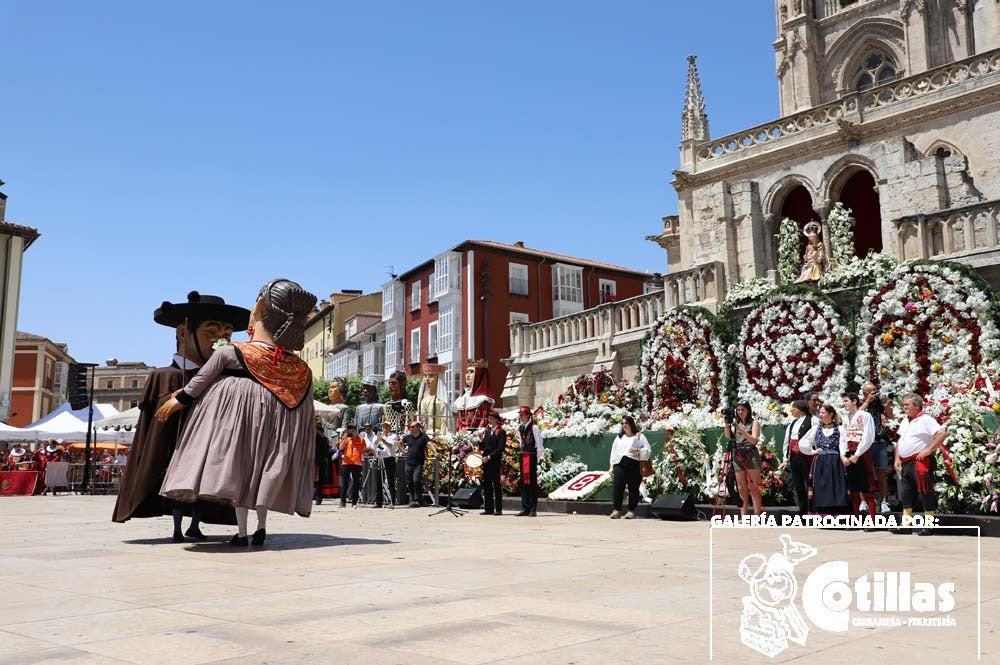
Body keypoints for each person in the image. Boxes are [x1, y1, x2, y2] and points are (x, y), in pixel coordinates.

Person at [158, 278, 318, 547]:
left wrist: (180, 399)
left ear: (257, 308)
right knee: (263, 478)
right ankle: (261, 528)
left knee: (240, 479)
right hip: (278, 432)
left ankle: (242, 533)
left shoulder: (234, 352)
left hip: (239, 429)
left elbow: (201, 380)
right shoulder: (302, 369)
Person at [113, 291, 248, 542]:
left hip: (208, 450)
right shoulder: (164, 375)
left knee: (201, 489)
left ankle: (195, 524)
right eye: (211, 332)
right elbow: (154, 421)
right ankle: (177, 526)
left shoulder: (228, 378)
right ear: (183, 333)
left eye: (226, 335)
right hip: (173, 449)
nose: (220, 340)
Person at [892, 394, 948, 536]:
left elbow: (942, 433)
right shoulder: (906, 421)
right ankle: (906, 525)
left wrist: (929, 450)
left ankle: (929, 525)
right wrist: (897, 458)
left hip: (920, 462)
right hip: (905, 463)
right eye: (904, 405)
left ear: (917, 406)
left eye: (907, 405)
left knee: (925, 493)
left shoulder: (925, 419)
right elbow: (900, 440)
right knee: (906, 494)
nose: (904, 407)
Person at [801, 403, 849, 515]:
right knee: (822, 488)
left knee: (836, 488)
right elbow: (803, 442)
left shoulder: (839, 429)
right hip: (821, 462)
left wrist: (842, 455)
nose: (820, 415)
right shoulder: (816, 429)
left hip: (835, 462)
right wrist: (812, 451)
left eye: (823, 413)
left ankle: (838, 516)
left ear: (831, 414)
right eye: (820, 413)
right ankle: (823, 516)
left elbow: (843, 444)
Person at [608, 415, 651, 519]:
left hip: (634, 465)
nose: (624, 425)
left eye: (626, 423)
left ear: (631, 424)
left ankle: (631, 511)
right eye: (622, 423)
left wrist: (638, 451)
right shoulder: (619, 437)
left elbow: (648, 450)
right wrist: (611, 466)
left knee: (633, 489)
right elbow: (613, 452)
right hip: (620, 465)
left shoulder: (639, 436)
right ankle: (617, 510)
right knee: (618, 488)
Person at [861, 381, 894, 514]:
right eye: (871, 391)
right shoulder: (859, 402)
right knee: (863, 473)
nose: (875, 393)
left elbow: (890, 416)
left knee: (881, 473)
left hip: (878, 441)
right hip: (864, 443)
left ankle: (884, 502)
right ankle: (864, 502)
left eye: (876, 390)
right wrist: (867, 401)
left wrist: (885, 403)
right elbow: (857, 415)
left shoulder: (878, 403)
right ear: (865, 393)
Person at [724, 401, 763, 516]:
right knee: (741, 487)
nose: (740, 412)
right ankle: (743, 515)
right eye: (738, 410)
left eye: (743, 410)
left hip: (750, 453)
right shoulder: (735, 423)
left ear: (748, 410)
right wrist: (727, 424)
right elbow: (728, 436)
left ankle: (757, 515)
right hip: (737, 454)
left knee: (753, 486)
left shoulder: (754, 423)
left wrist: (741, 430)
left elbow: (754, 440)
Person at [841, 392, 876, 518]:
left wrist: (857, 454)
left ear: (854, 401)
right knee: (853, 487)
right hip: (849, 453)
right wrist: (843, 455)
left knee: (867, 486)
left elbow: (868, 437)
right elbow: (843, 437)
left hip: (862, 452)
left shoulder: (865, 416)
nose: (844, 403)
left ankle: (872, 521)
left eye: (846, 401)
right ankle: (856, 519)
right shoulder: (845, 418)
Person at [779, 400, 815, 516]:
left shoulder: (812, 420)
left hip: (807, 458)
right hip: (795, 458)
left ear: (799, 409)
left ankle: (813, 511)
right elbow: (786, 442)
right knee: (798, 486)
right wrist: (786, 459)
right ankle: (803, 511)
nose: (792, 411)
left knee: (810, 485)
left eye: (793, 408)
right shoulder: (792, 424)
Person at [516, 406, 543, 517]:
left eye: (522, 415)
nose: (520, 417)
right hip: (523, 456)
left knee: (531, 482)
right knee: (523, 482)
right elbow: (522, 441)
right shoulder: (521, 428)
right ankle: (525, 507)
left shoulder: (534, 427)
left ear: (528, 416)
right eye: (520, 415)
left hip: (531, 457)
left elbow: (539, 443)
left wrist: (538, 458)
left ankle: (533, 508)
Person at [478, 410, 507, 515]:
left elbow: (500, 448)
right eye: (489, 418)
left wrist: (489, 457)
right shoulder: (487, 431)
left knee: (496, 484)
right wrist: (481, 440)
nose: (489, 420)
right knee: (487, 485)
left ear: (496, 420)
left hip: (494, 461)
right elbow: (484, 447)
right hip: (486, 461)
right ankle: (488, 508)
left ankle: (498, 509)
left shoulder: (501, 432)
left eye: (491, 418)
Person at [453, 360, 494, 431]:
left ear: (479, 375)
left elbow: (484, 423)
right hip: (461, 437)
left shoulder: (482, 400)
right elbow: (458, 423)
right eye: (467, 372)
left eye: (471, 372)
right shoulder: (461, 399)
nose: (468, 375)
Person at [369, 422, 398, 507]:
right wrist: (378, 440)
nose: (384, 428)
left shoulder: (393, 436)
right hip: (380, 458)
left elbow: (391, 446)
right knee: (379, 481)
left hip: (389, 459)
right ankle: (379, 502)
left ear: (389, 428)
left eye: (386, 427)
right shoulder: (378, 436)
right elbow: (373, 447)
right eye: (383, 427)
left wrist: (383, 440)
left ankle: (392, 501)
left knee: (390, 480)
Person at [402, 421, 430, 507]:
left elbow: (430, 444)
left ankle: (418, 499)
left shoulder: (424, 437)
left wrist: (435, 452)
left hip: (418, 463)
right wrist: (403, 451)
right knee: (409, 481)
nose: (410, 428)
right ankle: (413, 499)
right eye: (410, 427)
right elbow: (399, 443)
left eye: (412, 427)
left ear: (418, 427)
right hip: (409, 462)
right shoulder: (408, 437)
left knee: (416, 480)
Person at [337, 423, 366, 507]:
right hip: (346, 463)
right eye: (349, 429)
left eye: (352, 429)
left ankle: (354, 502)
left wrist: (355, 436)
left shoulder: (361, 439)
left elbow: (364, 450)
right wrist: (344, 437)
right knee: (344, 483)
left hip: (357, 463)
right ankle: (342, 502)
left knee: (356, 483)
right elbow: (340, 448)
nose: (351, 431)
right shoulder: (347, 439)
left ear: (356, 430)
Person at [417, 363, 450, 435]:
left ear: (439, 378)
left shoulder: (441, 400)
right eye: (425, 376)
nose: (427, 379)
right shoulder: (422, 399)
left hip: (436, 437)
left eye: (431, 376)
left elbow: (445, 423)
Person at [314, 422, 332, 506]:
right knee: (316, 481)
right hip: (316, 462)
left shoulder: (323, 439)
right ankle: (316, 498)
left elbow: (325, 451)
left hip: (319, 462)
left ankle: (318, 498)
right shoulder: (316, 438)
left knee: (319, 481)